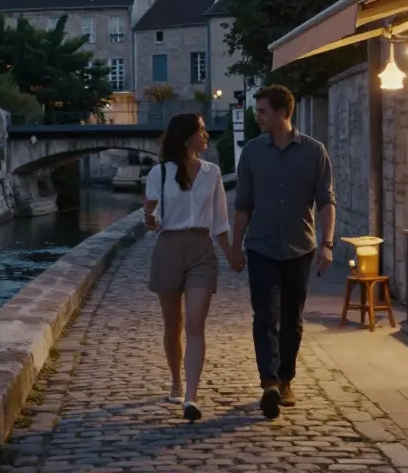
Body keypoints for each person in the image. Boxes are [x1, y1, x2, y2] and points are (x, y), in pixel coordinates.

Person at [229, 85, 336, 420]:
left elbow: (326, 200)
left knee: (292, 318)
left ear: (281, 113)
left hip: (299, 248)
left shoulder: (314, 152)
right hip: (260, 247)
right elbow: (243, 204)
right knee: (265, 315)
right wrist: (235, 246)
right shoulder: (251, 152)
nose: (256, 116)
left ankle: (286, 379)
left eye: (261, 111)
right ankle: (269, 382)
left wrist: (328, 243)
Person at [142, 113, 235, 422]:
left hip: (201, 251)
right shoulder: (160, 173)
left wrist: (232, 254)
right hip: (168, 248)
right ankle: (176, 380)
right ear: (186, 137)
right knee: (173, 326)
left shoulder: (213, 173)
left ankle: (191, 397)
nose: (206, 135)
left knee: (195, 323)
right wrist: (149, 217)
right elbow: (152, 217)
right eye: (201, 130)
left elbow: (220, 222)